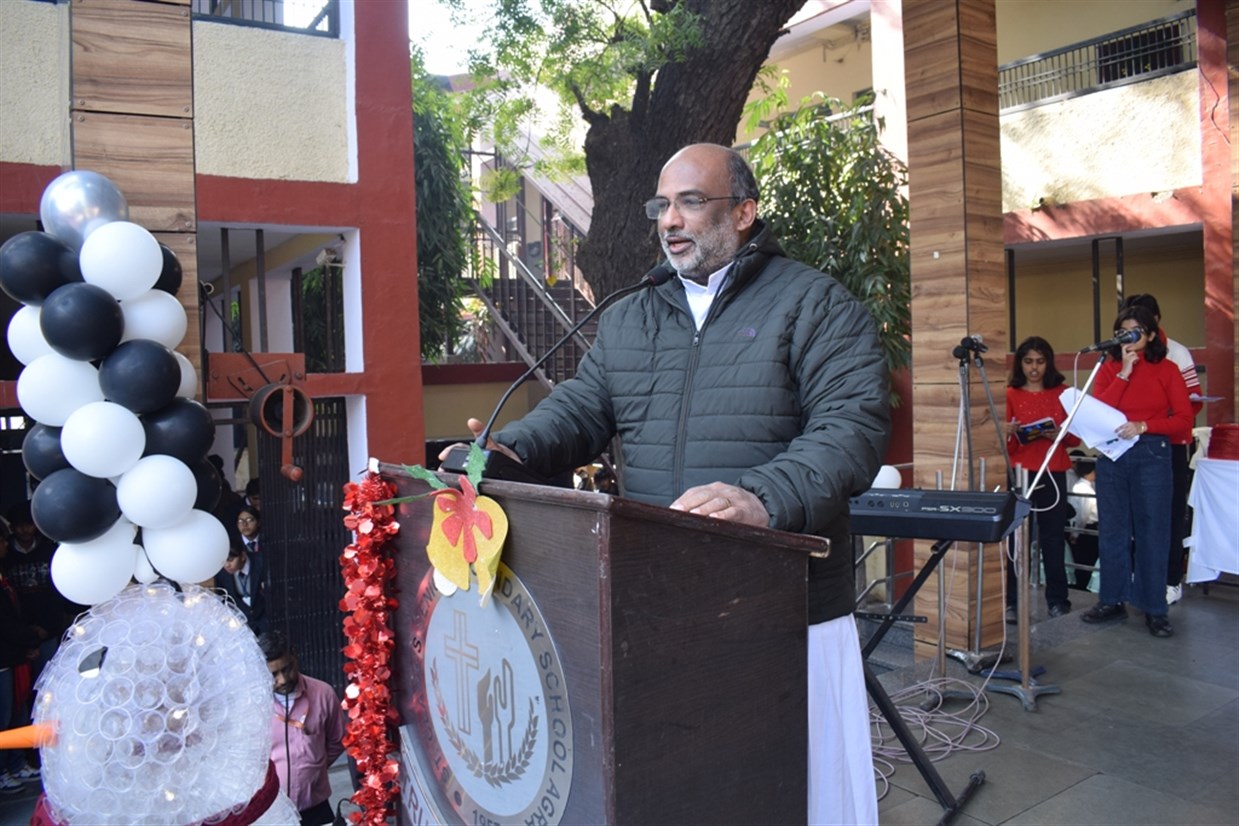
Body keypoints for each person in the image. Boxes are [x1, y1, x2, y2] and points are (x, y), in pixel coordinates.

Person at [444, 143, 889, 824]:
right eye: (661, 205)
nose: (669, 220)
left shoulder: (815, 304)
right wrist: (508, 449)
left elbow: (850, 429)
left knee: (792, 798)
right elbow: (580, 409)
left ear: (744, 212)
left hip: (784, 609)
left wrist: (763, 497)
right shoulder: (631, 313)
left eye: (690, 202)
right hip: (658, 604)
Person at [1082, 305, 1192, 637]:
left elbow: (1184, 420)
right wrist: (1124, 373)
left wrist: (1144, 426)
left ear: (1151, 334)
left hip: (1152, 452)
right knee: (1113, 528)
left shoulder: (1167, 370)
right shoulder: (1109, 369)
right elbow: (1099, 410)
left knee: (1152, 530)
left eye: (1136, 331)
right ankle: (1111, 599)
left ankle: (1154, 607)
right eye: (1123, 332)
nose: (1128, 337)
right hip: (1113, 453)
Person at [1121, 294, 1200, 605]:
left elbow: (1192, 403)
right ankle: (1137, 578)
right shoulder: (1120, 356)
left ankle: (1170, 579)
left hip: (1171, 444)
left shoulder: (1176, 354)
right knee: (1134, 516)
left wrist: (1155, 420)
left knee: (1169, 514)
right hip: (1129, 445)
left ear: (1154, 323)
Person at [1003, 336, 1079, 621]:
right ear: (1020, 364)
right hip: (1020, 472)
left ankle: (1058, 599)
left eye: (1040, 361)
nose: (1034, 368)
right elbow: (1007, 447)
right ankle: (1012, 601)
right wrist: (1009, 431)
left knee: (1053, 537)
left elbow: (1075, 438)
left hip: (1052, 470)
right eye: (1028, 361)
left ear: (1048, 363)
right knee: (1015, 539)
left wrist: (1059, 433)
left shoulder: (1063, 393)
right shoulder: (1010, 394)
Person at [257, 630, 344, 826]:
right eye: (273, 675)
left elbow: (338, 741)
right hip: (272, 813)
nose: (283, 680)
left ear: (294, 655)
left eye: (287, 669)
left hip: (317, 807)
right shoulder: (253, 706)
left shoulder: (323, 693)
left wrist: (314, 767)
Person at [215, 545, 268, 633]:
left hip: (266, 621)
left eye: (230, 560)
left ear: (243, 556)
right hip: (242, 626)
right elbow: (223, 599)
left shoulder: (261, 562)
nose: (227, 565)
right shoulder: (221, 573)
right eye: (223, 561)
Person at [1067, 453, 1099, 591]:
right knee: (1085, 558)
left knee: (1088, 558)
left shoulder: (1088, 486)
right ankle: (1081, 585)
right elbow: (1082, 515)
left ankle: (1083, 583)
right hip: (1086, 528)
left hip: (1088, 527)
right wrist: (1076, 533)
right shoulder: (1082, 488)